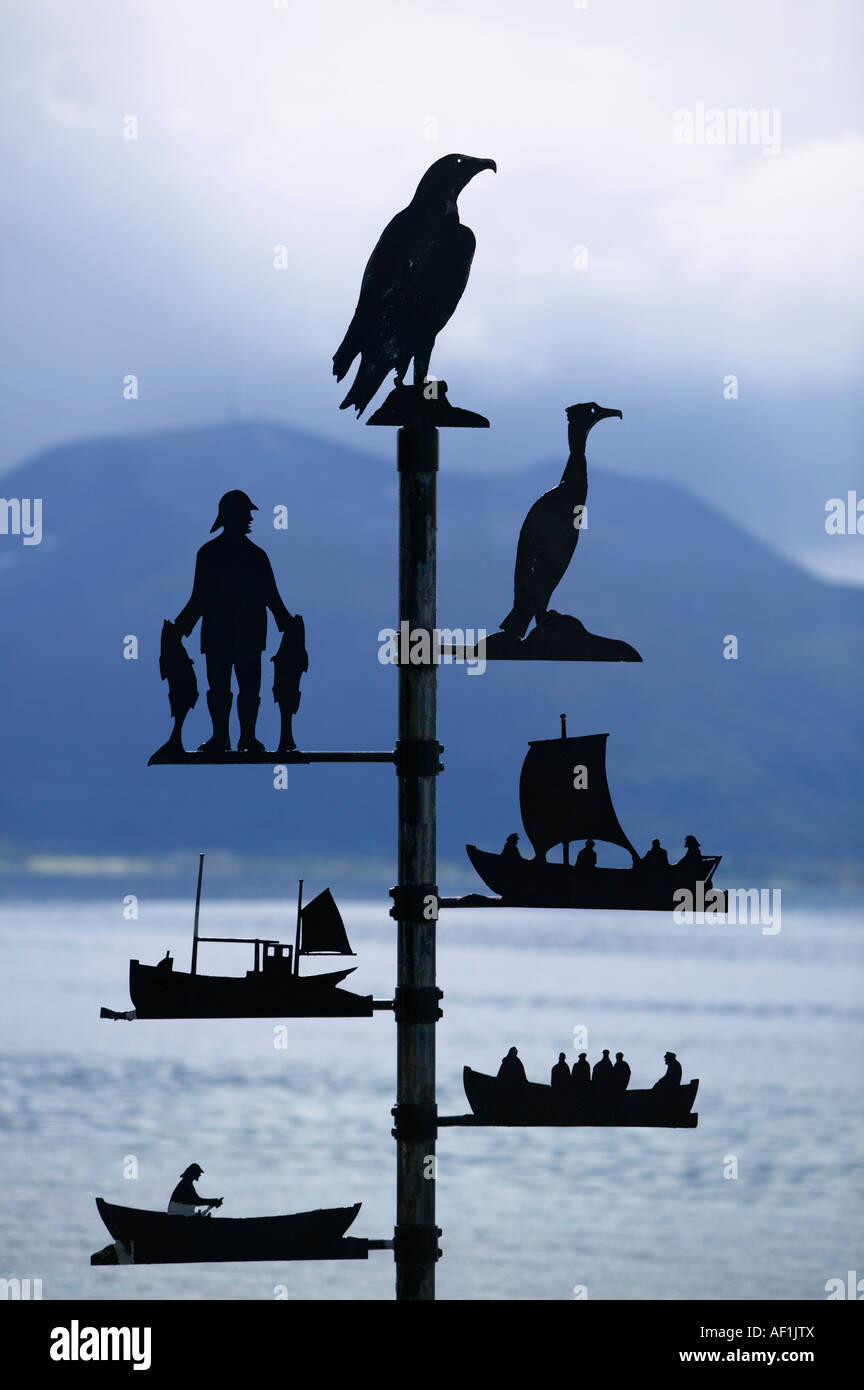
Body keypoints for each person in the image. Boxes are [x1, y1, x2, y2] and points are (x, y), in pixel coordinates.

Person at [175, 491, 293, 754]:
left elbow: (271, 596)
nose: (250, 518)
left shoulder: (253, 556)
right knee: (221, 688)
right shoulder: (212, 555)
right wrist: (180, 627)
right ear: (232, 517)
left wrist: (287, 621)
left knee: (247, 689)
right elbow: (199, 598)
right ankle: (222, 737)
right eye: (246, 513)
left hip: (245, 637)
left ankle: (246, 737)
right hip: (225, 636)